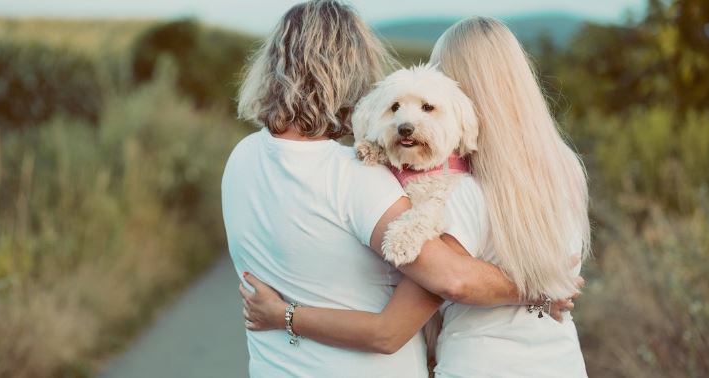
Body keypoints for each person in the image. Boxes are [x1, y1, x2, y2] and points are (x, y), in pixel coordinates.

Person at [222, 3, 561, 377]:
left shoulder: (241, 158)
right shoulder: (356, 176)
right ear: (350, 73)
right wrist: (541, 289)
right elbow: (452, 281)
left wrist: (282, 316)